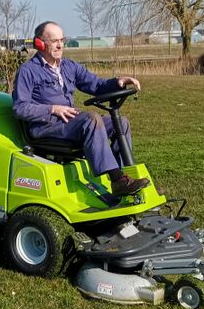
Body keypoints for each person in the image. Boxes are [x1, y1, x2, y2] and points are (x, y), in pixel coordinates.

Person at [12, 20, 150, 196]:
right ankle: (117, 180)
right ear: (39, 43)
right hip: (45, 127)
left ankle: (127, 177)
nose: (60, 45)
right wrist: (53, 109)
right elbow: (20, 108)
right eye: (54, 41)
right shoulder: (28, 71)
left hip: (69, 123)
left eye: (62, 40)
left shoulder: (69, 66)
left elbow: (97, 85)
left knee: (120, 123)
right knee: (91, 119)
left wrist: (118, 81)